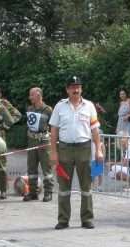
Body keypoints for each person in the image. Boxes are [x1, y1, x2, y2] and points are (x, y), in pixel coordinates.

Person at [49, 76, 103, 230]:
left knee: (86, 185)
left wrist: (98, 149)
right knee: (64, 186)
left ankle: (87, 218)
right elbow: (54, 131)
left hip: (84, 148)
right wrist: (53, 152)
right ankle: (63, 219)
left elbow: (95, 130)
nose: (76, 89)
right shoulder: (60, 106)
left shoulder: (89, 106)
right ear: (67, 89)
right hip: (65, 148)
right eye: (72, 87)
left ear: (81, 89)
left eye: (78, 86)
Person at [24, 87, 54, 202]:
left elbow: (54, 126)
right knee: (31, 168)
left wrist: (51, 139)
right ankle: (32, 192)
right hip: (32, 141)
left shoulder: (48, 110)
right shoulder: (30, 108)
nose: (30, 97)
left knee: (47, 168)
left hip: (44, 142)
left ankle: (48, 192)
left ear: (38, 95)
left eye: (31, 95)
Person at [0, 85, 20, 201]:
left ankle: (3, 191)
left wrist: (4, 126)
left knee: (1, 166)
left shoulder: (3, 104)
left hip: (0, 138)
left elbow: (16, 115)